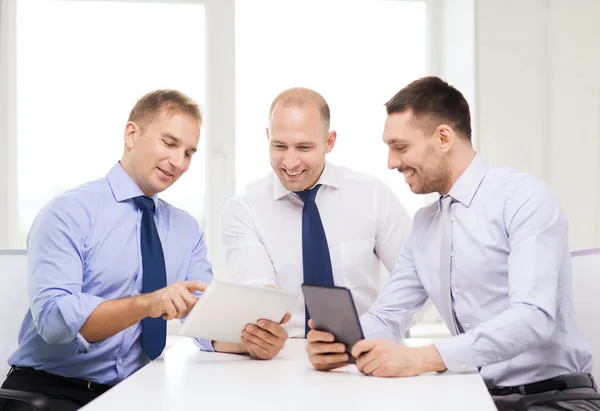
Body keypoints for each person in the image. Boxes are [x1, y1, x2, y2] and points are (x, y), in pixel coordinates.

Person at [305, 77, 599, 410]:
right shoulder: (424, 226)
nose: (391, 162)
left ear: (443, 137)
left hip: (553, 399)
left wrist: (425, 358)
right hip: (475, 396)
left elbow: (533, 318)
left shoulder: (523, 198)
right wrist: (343, 344)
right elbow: (388, 317)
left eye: (400, 147)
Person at [0, 90, 287, 411]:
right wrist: (146, 304)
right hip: (52, 392)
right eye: (169, 143)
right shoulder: (68, 212)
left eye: (189, 153)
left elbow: (204, 322)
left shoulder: (186, 229)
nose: (179, 162)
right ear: (132, 134)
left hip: (136, 392)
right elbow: (54, 324)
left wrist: (251, 341)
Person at [221, 87, 421, 347]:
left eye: (303, 147)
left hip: (365, 349)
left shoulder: (373, 196)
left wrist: (382, 331)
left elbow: (415, 279)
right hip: (281, 357)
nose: (290, 162)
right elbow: (257, 286)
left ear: (330, 142)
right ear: (267, 136)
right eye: (279, 146)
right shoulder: (243, 209)